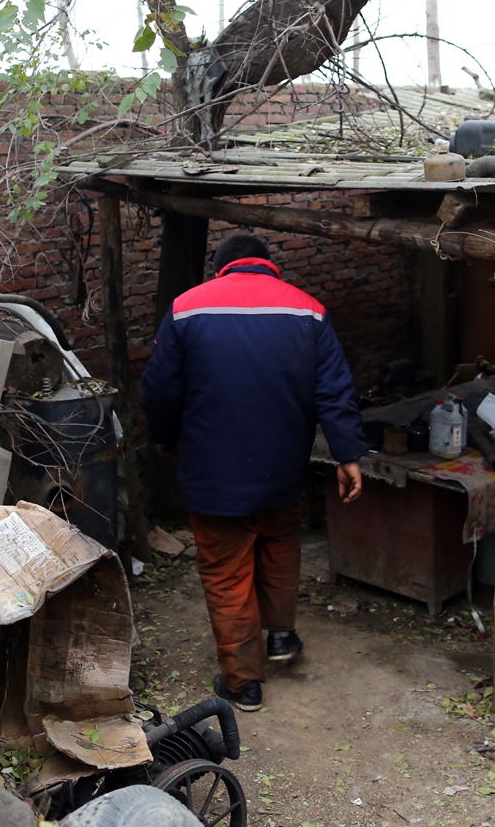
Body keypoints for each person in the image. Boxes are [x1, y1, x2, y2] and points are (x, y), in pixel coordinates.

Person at [141, 233, 366, 711]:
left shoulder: (186, 309)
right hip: (283, 470)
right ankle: (281, 637)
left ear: (221, 267)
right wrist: (348, 456)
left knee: (227, 573)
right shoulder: (309, 310)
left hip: (211, 475)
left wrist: (162, 436)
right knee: (279, 548)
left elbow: (160, 390)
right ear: (268, 265)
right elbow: (335, 391)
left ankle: (244, 683)